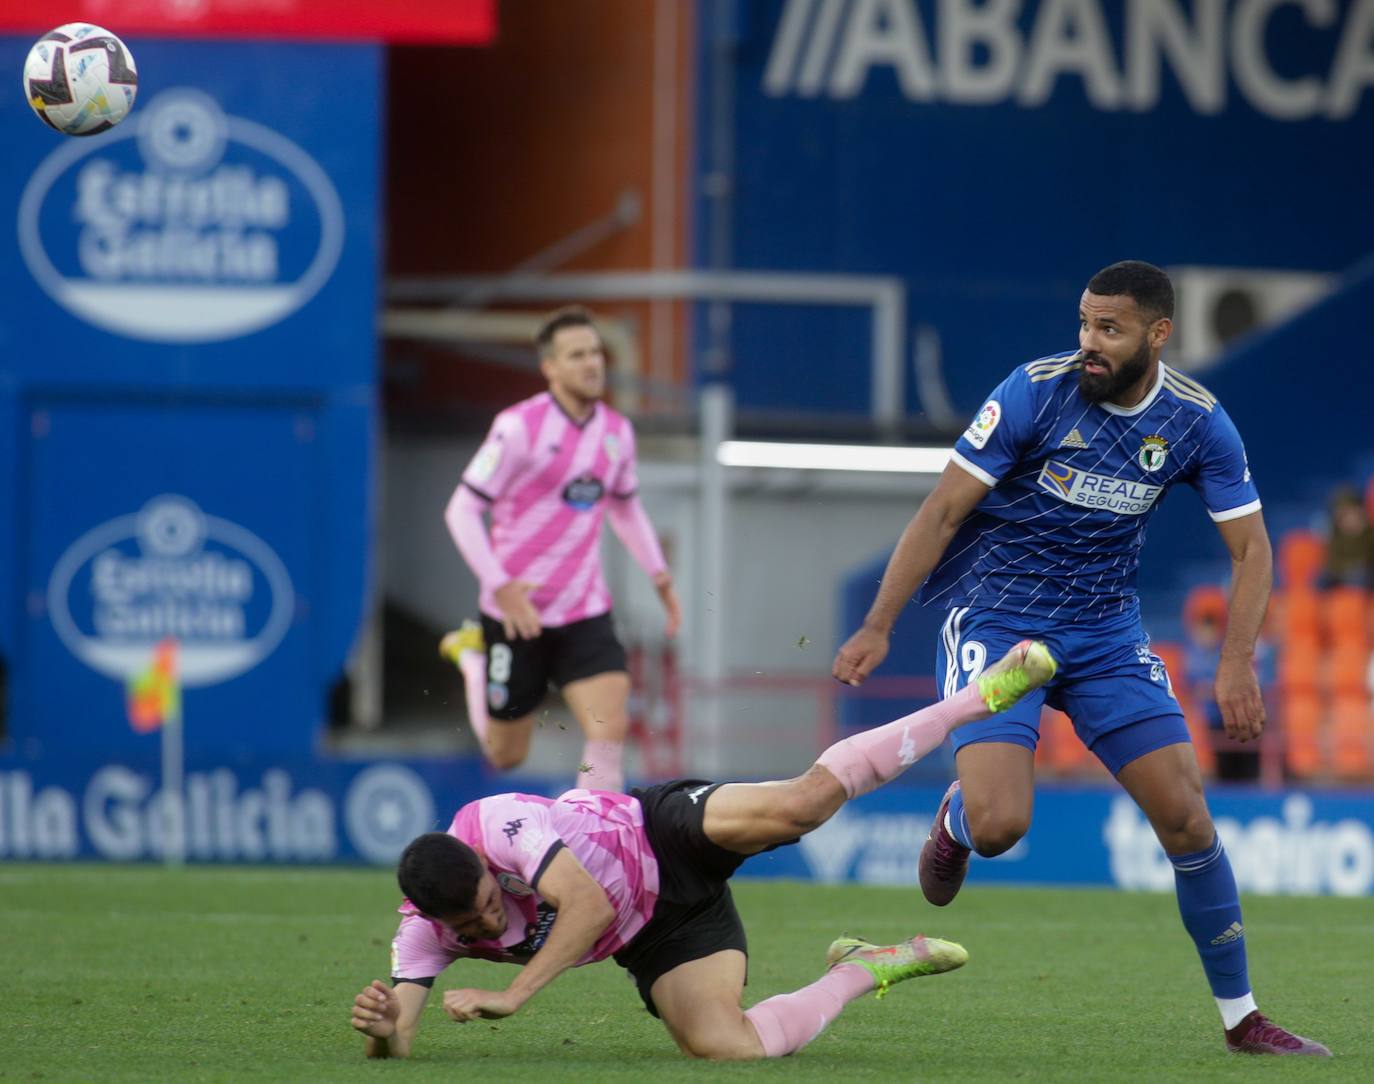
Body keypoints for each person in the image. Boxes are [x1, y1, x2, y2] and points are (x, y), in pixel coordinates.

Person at [833, 260, 1329, 1057]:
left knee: (1187, 817)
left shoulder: (1198, 422)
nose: (1089, 344)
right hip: (999, 623)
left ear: (1158, 334)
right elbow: (944, 509)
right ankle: (957, 819)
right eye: (1084, 324)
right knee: (1002, 826)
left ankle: (1243, 1020)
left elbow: (1253, 550)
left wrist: (1237, 662)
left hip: (1105, 634)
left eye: (1110, 329)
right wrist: (878, 623)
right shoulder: (1034, 390)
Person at [349, 640, 1057, 1060]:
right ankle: (865, 966)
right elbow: (401, 1036)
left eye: (484, 901)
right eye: (469, 927)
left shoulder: (495, 824)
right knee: (730, 1048)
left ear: (478, 865)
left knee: (801, 806)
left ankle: (979, 696)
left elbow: (587, 906)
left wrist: (513, 994)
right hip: (661, 931)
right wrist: (385, 1032)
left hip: (661, 831)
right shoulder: (422, 934)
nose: (485, 922)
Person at [441, 307, 681, 792]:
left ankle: (589, 833)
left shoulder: (617, 433)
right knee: (506, 755)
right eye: (577, 355)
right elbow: (460, 511)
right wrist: (500, 586)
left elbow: (625, 509)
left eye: (596, 352)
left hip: (583, 609)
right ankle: (473, 661)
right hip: (516, 613)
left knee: (609, 729)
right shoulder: (517, 428)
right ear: (550, 367)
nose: (592, 363)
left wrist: (659, 575)